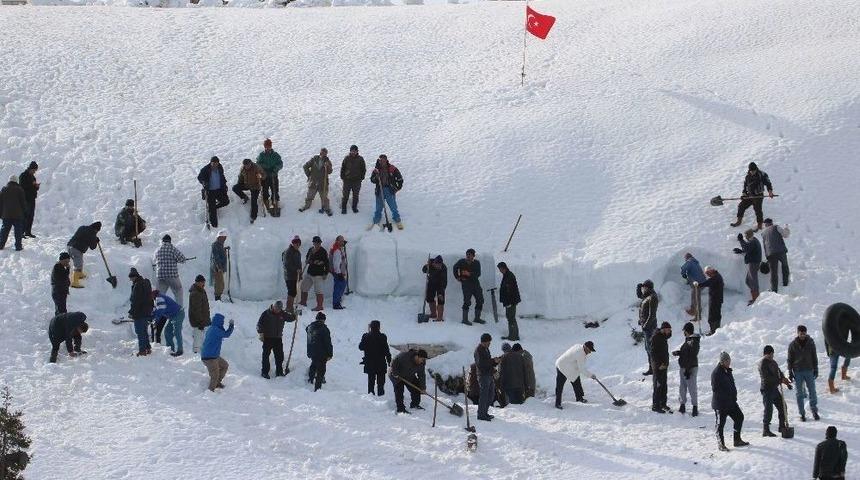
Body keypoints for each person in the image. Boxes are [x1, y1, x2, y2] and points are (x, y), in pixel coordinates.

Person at [712, 352, 749, 451]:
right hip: (721, 404)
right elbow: (716, 389)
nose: (729, 362)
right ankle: (721, 444)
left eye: (729, 360)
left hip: (731, 402)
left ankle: (737, 440)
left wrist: (733, 396)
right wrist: (726, 398)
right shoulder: (716, 373)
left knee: (739, 417)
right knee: (720, 425)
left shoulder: (728, 371)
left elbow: (731, 385)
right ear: (722, 361)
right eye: (726, 361)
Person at [787, 324, 819, 421]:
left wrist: (816, 368)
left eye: (804, 334)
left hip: (809, 370)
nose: (802, 335)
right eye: (801, 334)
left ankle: (814, 411)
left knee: (812, 392)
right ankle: (802, 414)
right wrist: (790, 371)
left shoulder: (810, 343)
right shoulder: (792, 345)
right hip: (798, 371)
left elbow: (814, 355)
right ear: (798, 333)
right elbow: (790, 359)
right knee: (799, 393)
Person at [759, 345, 792, 437]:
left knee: (783, 406)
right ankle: (766, 429)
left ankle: (782, 426)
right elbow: (767, 378)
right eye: (768, 355)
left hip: (774, 389)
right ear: (765, 355)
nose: (770, 356)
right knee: (768, 409)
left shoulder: (773, 363)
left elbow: (779, 373)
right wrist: (779, 380)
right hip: (767, 389)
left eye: (771, 354)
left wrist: (786, 381)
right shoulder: (762, 364)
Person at [730, 161, 774, 230]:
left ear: (756, 169)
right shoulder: (747, 176)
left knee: (757, 210)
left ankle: (759, 225)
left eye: (753, 171)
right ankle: (739, 221)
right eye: (751, 171)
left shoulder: (762, 174)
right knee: (741, 206)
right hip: (750, 195)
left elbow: (768, 183)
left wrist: (770, 192)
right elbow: (745, 186)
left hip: (758, 195)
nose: (752, 172)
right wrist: (744, 193)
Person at [554, 341, 596, 409]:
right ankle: (557, 403)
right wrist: (591, 375)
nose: (590, 352)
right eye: (589, 350)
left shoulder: (579, 347)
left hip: (569, 366)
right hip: (562, 366)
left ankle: (579, 398)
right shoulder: (580, 354)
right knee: (560, 386)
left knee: (576, 380)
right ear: (585, 347)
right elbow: (582, 369)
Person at [368, 154, 403, 230]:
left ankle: (397, 219)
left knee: (393, 206)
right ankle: (376, 220)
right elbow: (372, 180)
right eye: (381, 160)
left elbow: (400, 179)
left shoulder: (392, 168)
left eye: (384, 160)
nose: (382, 161)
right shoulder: (376, 170)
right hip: (379, 190)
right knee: (378, 207)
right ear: (379, 161)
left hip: (389, 190)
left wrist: (397, 188)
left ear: (386, 160)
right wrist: (376, 178)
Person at [257, 301, 291, 379]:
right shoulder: (266, 314)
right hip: (267, 338)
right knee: (266, 356)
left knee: (279, 356)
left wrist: (295, 314)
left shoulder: (282, 314)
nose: (277, 310)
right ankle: (265, 372)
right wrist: (261, 333)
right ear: (273, 306)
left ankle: (279, 372)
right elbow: (259, 324)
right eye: (276, 308)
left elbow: (291, 318)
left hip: (278, 338)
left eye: (279, 309)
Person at [201, 314, 234, 392]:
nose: (222, 323)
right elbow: (227, 334)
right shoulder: (215, 330)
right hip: (209, 358)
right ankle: (210, 391)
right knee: (214, 375)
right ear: (219, 321)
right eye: (222, 321)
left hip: (213, 356)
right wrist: (231, 325)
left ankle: (217, 383)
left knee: (225, 365)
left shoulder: (213, 328)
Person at [673, 322, 700, 416]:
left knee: (692, 387)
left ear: (687, 331)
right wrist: (679, 353)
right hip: (684, 367)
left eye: (684, 331)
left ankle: (695, 407)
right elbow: (687, 353)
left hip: (690, 368)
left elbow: (692, 356)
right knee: (683, 387)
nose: (683, 332)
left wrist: (688, 369)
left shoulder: (694, 340)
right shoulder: (688, 340)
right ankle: (682, 405)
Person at [389, 348, 427, 414]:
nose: (423, 361)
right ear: (417, 356)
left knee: (416, 387)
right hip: (397, 375)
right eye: (422, 359)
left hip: (409, 376)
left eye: (424, 360)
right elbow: (394, 361)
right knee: (399, 391)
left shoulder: (421, 363)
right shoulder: (405, 356)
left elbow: (422, 375)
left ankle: (415, 404)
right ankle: (400, 409)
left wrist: (423, 388)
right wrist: (395, 373)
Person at [153, 234, 188, 306]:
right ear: (170, 241)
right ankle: (179, 309)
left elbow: (154, 261)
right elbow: (182, 259)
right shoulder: (172, 249)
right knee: (178, 291)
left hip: (160, 276)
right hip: (172, 276)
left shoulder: (158, 250)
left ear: (162, 241)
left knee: (160, 295)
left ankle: (159, 309)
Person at [359, 320, 392, 396]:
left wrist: (365, 337)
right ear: (379, 327)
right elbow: (386, 350)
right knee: (381, 383)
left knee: (371, 382)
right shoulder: (383, 337)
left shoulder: (366, 336)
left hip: (370, 363)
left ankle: (371, 398)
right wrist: (389, 361)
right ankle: (381, 397)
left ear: (370, 327)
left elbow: (361, 347)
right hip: (381, 363)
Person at [453, 249, 485, 326]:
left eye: (470, 254)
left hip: (475, 283)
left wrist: (469, 274)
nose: (468, 256)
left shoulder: (477, 263)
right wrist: (457, 277)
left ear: (473, 256)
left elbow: (478, 274)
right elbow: (455, 267)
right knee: (467, 301)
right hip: (466, 284)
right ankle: (465, 319)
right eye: (467, 254)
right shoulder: (461, 262)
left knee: (480, 300)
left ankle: (477, 318)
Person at [197, 156, 230, 228]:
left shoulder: (220, 168)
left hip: (219, 190)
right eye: (213, 163)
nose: (215, 165)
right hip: (210, 191)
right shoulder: (205, 169)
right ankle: (214, 225)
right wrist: (204, 182)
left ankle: (213, 207)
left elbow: (222, 176)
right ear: (211, 163)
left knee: (226, 201)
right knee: (212, 210)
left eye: (216, 163)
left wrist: (224, 184)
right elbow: (199, 177)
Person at [299, 148, 333, 216]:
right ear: (320, 152)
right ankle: (306, 206)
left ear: (326, 154)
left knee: (324, 197)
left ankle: (327, 209)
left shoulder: (327, 161)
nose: (322, 154)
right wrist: (309, 175)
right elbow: (305, 166)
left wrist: (328, 166)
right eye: (321, 153)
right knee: (309, 196)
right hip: (313, 182)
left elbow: (330, 171)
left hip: (323, 183)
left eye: (324, 153)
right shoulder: (314, 159)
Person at [66, 222, 101, 288]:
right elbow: (93, 247)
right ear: (96, 230)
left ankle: (79, 274)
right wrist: (95, 241)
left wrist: (94, 238)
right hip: (76, 249)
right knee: (78, 264)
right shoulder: (92, 234)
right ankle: (75, 282)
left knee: (79, 261)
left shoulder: (82, 227)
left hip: (69, 246)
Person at [128, 268, 154, 357]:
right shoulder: (146, 283)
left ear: (134, 277)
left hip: (139, 313)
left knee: (140, 331)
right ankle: (147, 348)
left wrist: (131, 312)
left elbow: (135, 301)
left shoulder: (137, 285)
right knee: (144, 330)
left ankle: (142, 350)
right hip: (146, 312)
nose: (130, 280)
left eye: (130, 278)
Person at [733, 229, 762, 305]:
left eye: (745, 235)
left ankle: (756, 299)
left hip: (754, 263)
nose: (745, 237)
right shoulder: (753, 241)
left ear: (748, 235)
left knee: (752, 280)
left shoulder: (753, 241)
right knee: (748, 280)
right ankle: (754, 297)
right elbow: (749, 249)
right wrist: (741, 251)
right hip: (753, 262)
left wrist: (741, 240)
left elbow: (747, 248)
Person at [301, 236, 329, 312]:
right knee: (303, 287)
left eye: (319, 243)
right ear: (313, 243)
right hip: (310, 273)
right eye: (316, 243)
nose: (318, 244)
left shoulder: (323, 251)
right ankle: (303, 302)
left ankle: (319, 306)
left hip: (318, 274)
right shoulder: (311, 250)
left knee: (318, 291)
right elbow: (307, 258)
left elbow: (327, 263)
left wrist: (326, 273)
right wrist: (310, 261)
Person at [761, 218, 791, 293]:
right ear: (771, 223)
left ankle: (774, 289)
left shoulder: (763, 233)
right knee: (785, 267)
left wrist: (767, 256)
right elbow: (785, 235)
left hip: (770, 254)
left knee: (773, 272)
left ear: (765, 224)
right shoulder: (776, 227)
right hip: (780, 251)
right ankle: (785, 284)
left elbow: (764, 245)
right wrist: (786, 228)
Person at [232, 158, 265, 223]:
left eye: (248, 165)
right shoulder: (243, 168)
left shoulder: (256, 167)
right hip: (247, 185)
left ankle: (253, 216)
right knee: (235, 188)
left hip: (255, 186)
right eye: (245, 165)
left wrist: (260, 176)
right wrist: (239, 184)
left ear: (250, 163)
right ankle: (244, 197)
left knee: (253, 201)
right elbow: (240, 177)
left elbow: (264, 175)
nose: (246, 167)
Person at [306, 312, 332, 391]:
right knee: (321, 371)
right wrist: (330, 354)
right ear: (323, 320)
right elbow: (328, 343)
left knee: (313, 365)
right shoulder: (324, 329)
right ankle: (317, 388)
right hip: (322, 354)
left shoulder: (310, 327)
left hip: (312, 352)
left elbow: (307, 330)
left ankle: (310, 380)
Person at [153, 290, 184, 357]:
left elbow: (161, 310)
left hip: (178, 313)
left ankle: (180, 350)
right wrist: (152, 316)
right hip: (172, 316)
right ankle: (170, 350)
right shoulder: (158, 299)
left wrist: (156, 320)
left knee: (176, 331)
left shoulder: (159, 298)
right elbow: (157, 310)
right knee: (167, 332)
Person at [637, 280, 658, 375]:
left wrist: (645, 325)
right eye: (643, 288)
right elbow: (639, 296)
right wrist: (638, 288)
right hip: (646, 326)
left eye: (644, 287)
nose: (643, 289)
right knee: (648, 348)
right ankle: (652, 368)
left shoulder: (652, 297)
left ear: (649, 288)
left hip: (650, 327)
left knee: (651, 348)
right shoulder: (647, 296)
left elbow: (652, 314)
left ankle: (654, 368)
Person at [0, 175, 26, 251]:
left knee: (4, 230)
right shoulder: (20, 189)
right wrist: (25, 211)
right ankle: (18, 246)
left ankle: (1, 244)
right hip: (18, 215)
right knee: (18, 231)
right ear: (16, 181)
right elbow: (23, 202)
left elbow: (0, 202)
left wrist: (1, 213)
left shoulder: (4, 189)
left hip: (6, 214)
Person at [696, 266, 724, 335]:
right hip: (718, 299)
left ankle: (713, 331)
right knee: (717, 315)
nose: (707, 275)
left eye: (707, 273)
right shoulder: (717, 275)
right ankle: (716, 330)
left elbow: (707, 283)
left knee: (712, 316)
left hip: (715, 299)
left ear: (711, 271)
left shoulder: (715, 278)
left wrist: (698, 285)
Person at [651, 322, 672, 413]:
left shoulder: (663, 337)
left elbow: (668, 336)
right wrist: (659, 364)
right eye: (668, 330)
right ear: (663, 329)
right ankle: (656, 405)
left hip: (664, 366)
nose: (669, 332)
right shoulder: (656, 338)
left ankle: (663, 403)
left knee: (664, 386)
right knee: (658, 386)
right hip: (658, 366)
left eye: (670, 330)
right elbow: (653, 353)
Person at [257, 139, 283, 213]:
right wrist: (264, 168)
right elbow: (257, 164)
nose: (267, 148)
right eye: (266, 147)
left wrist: (275, 168)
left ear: (271, 146)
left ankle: (275, 202)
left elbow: (280, 164)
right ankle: (266, 202)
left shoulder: (275, 155)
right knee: (265, 190)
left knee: (275, 190)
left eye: (269, 146)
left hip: (273, 175)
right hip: (265, 176)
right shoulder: (261, 155)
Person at [474, 333, 496, 421]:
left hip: (489, 375)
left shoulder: (486, 349)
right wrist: (492, 361)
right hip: (483, 375)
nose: (489, 343)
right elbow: (481, 364)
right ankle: (481, 414)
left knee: (491, 395)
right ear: (484, 341)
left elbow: (488, 362)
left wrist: (495, 362)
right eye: (488, 342)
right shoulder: (478, 350)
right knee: (484, 395)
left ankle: (485, 412)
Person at [498, 262, 521, 340]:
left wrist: (509, 303)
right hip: (509, 301)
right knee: (510, 318)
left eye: (501, 269)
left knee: (511, 318)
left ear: (504, 268)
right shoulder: (507, 275)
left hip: (511, 301)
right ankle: (513, 335)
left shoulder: (509, 276)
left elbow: (510, 291)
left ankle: (513, 336)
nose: (500, 270)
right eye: (499, 269)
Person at [188, 275, 211, 354]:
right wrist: (200, 322)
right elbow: (196, 309)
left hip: (203, 319)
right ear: (197, 282)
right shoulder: (196, 293)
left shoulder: (200, 291)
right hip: (198, 321)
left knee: (202, 338)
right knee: (197, 337)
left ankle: (201, 352)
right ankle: (196, 354)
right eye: (202, 283)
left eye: (204, 282)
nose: (204, 284)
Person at [340, 145, 366, 214]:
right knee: (345, 194)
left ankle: (354, 207)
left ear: (357, 151)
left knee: (356, 195)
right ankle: (344, 207)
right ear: (350, 151)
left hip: (357, 181)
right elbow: (343, 168)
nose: (353, 152)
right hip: (347, 180)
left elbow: (363, 169)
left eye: (355, 151)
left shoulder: (360, 159)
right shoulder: (346, 158)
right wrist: (342, 177)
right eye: (352, 151)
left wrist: (362, 177)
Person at [422, 255, 447, 321]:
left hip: (440, 284)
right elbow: (424, 270)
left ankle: (440, 317)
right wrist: (426, 265)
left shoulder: (443, 268)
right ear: (434, 263)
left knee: (440, 299)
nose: (439, 266)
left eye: (440, 265)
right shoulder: (430, 264)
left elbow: (444, 281)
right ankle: (433, 314)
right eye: (438, 265)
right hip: (431, 283)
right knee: (429, 298)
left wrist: (441, 292)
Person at [281, 236, 303, 313]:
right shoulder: (288, 252)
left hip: (296, 276)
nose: (298, 245)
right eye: (296, 244)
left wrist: (300, 274)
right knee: (291, 291)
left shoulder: (298, 253)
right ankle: (288, 308)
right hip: (289, 276)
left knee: (294, 291)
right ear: (293, 243)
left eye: (299, 244)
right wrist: (296, 270)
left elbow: (299, 264)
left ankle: (290, 307)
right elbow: (287, 265)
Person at [18, 161, 39, 238]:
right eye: (33, 170)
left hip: (32, 198)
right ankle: (21, 232)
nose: (34, 172)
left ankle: (28, 231)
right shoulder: (23, 175)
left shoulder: (33, 177)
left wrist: (36, 187)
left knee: (31, 215)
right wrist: (32, 185)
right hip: (25, 199)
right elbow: (22, 186)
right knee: (25, 216)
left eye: (35, 171)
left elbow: (33, 188)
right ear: (30, 168)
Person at [329, 235, 348, 310]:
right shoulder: (337, 250)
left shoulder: (338, 248)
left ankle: (337, 301)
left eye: (343, 240)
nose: (343, 242)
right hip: (338, 272)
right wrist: (339, 273)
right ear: (337, 241)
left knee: (340, 286)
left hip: (338, 272)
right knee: (339, 287)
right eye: (341, 241)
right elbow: (336, 263)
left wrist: (343, 246)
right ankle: (336, 303)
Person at [210, 230, 228, 301]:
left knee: (221, 284)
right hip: (217, 268)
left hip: (220, 268)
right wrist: (219, 267)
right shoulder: (215, 245)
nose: (225, 239)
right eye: (224, 237)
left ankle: (218, 297)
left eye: (225, 238)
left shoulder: (220, 244)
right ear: (220, 237)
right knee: (219, 284)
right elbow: (216, 257)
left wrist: (225, 249)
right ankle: (217, 299)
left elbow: (219, 251)